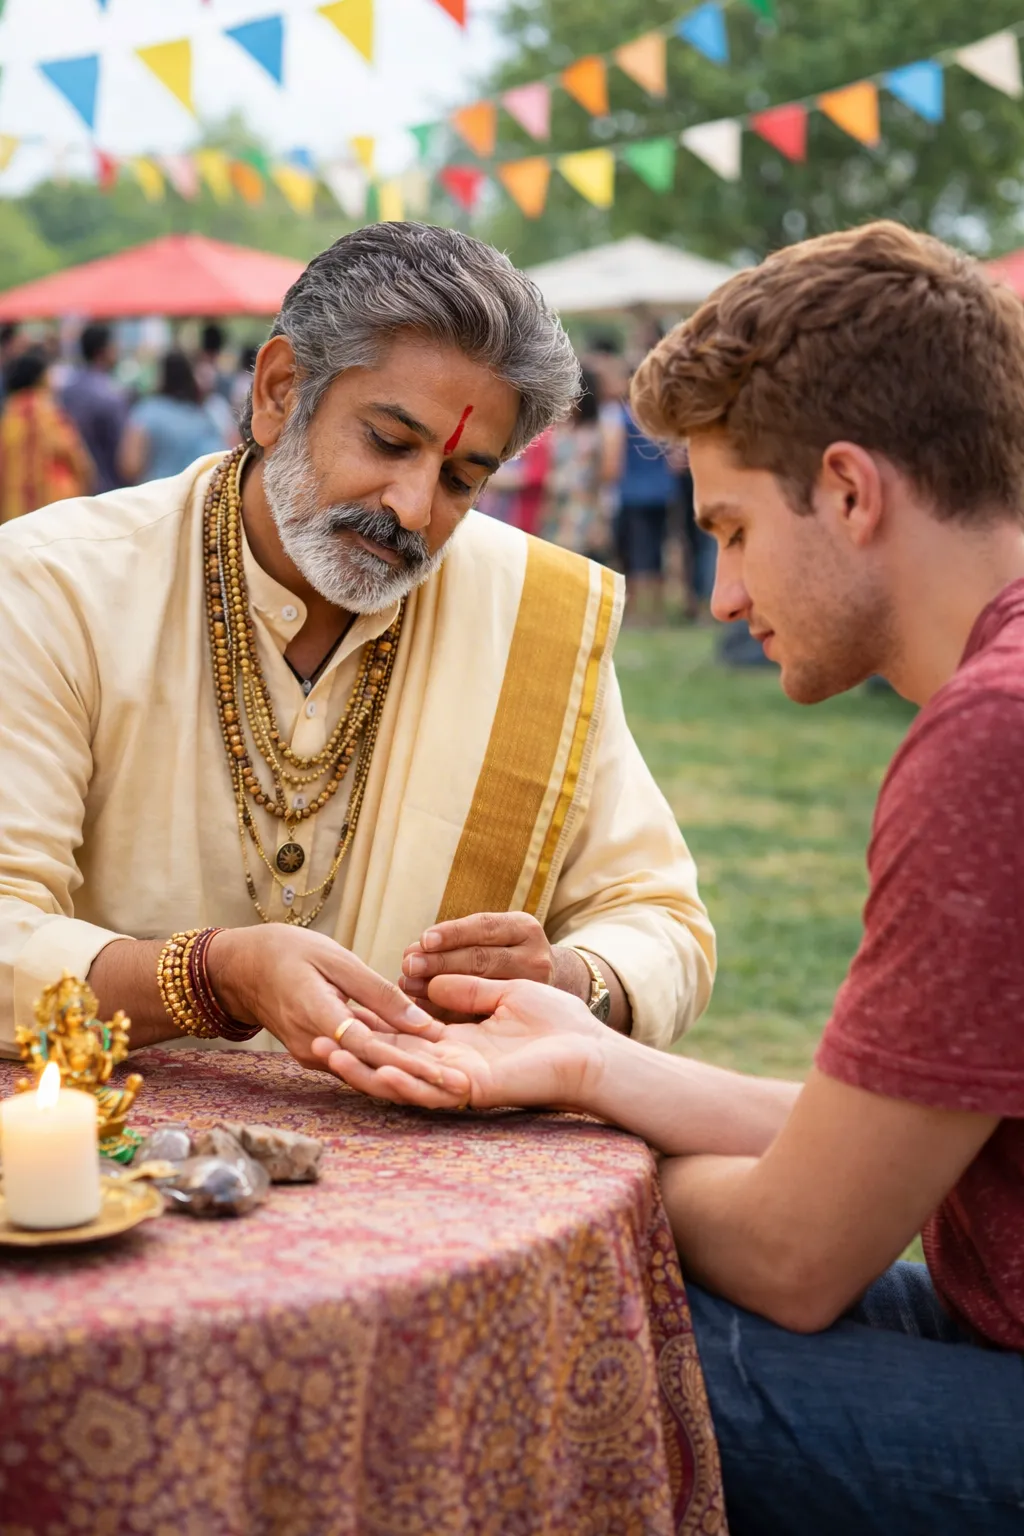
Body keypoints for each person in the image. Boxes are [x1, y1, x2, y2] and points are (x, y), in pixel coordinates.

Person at [312, 222, 1024, 1535]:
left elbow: (802, 1255)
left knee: (568, 1347)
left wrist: (582, 1197)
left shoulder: (992, 742)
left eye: (735, 529)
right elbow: (876, 1145)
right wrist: (590, 1063)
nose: (722, 590)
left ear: (853, 493)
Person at [0, 222, 714, 1067]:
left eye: (460, 479)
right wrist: (211, 976)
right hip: (126, 1167)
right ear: (278, 390)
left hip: (442, 1172)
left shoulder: (532, 614)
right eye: (387, 441)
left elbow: (662, 923)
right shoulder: (59, 585)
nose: (413, 508)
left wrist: (570, 978)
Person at [0, 347, 94, 523]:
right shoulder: (48, 410)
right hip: (51, 508)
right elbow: (76, 456)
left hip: (13, 510)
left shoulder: (9, 412)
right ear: (41, 377)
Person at [607, 396, 676, 625]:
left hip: (632, 492)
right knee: (657, 550)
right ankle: (657, 609)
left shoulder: (625, 415)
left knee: (634, 552)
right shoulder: (661, 414)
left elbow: (615, 459)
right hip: (662, 491)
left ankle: (636, 611)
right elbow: (674, 459)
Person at [118, 350, 226, 483]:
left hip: (153, 495)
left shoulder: (146, 412)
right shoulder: (203, 417)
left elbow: (130, 465)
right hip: (192, 497)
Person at [543, 368, 612, 561]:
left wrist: (600, 520)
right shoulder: (561, 428)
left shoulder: (597, 432)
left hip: (582, 507)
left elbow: (605, 476)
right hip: (557, 506)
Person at [61, 322, 129, 494]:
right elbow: (123, 456)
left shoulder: (66, 389)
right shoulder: (111, 395)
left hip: (72, 489)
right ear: (103, 351)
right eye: (114, 346)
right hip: (107, 491)